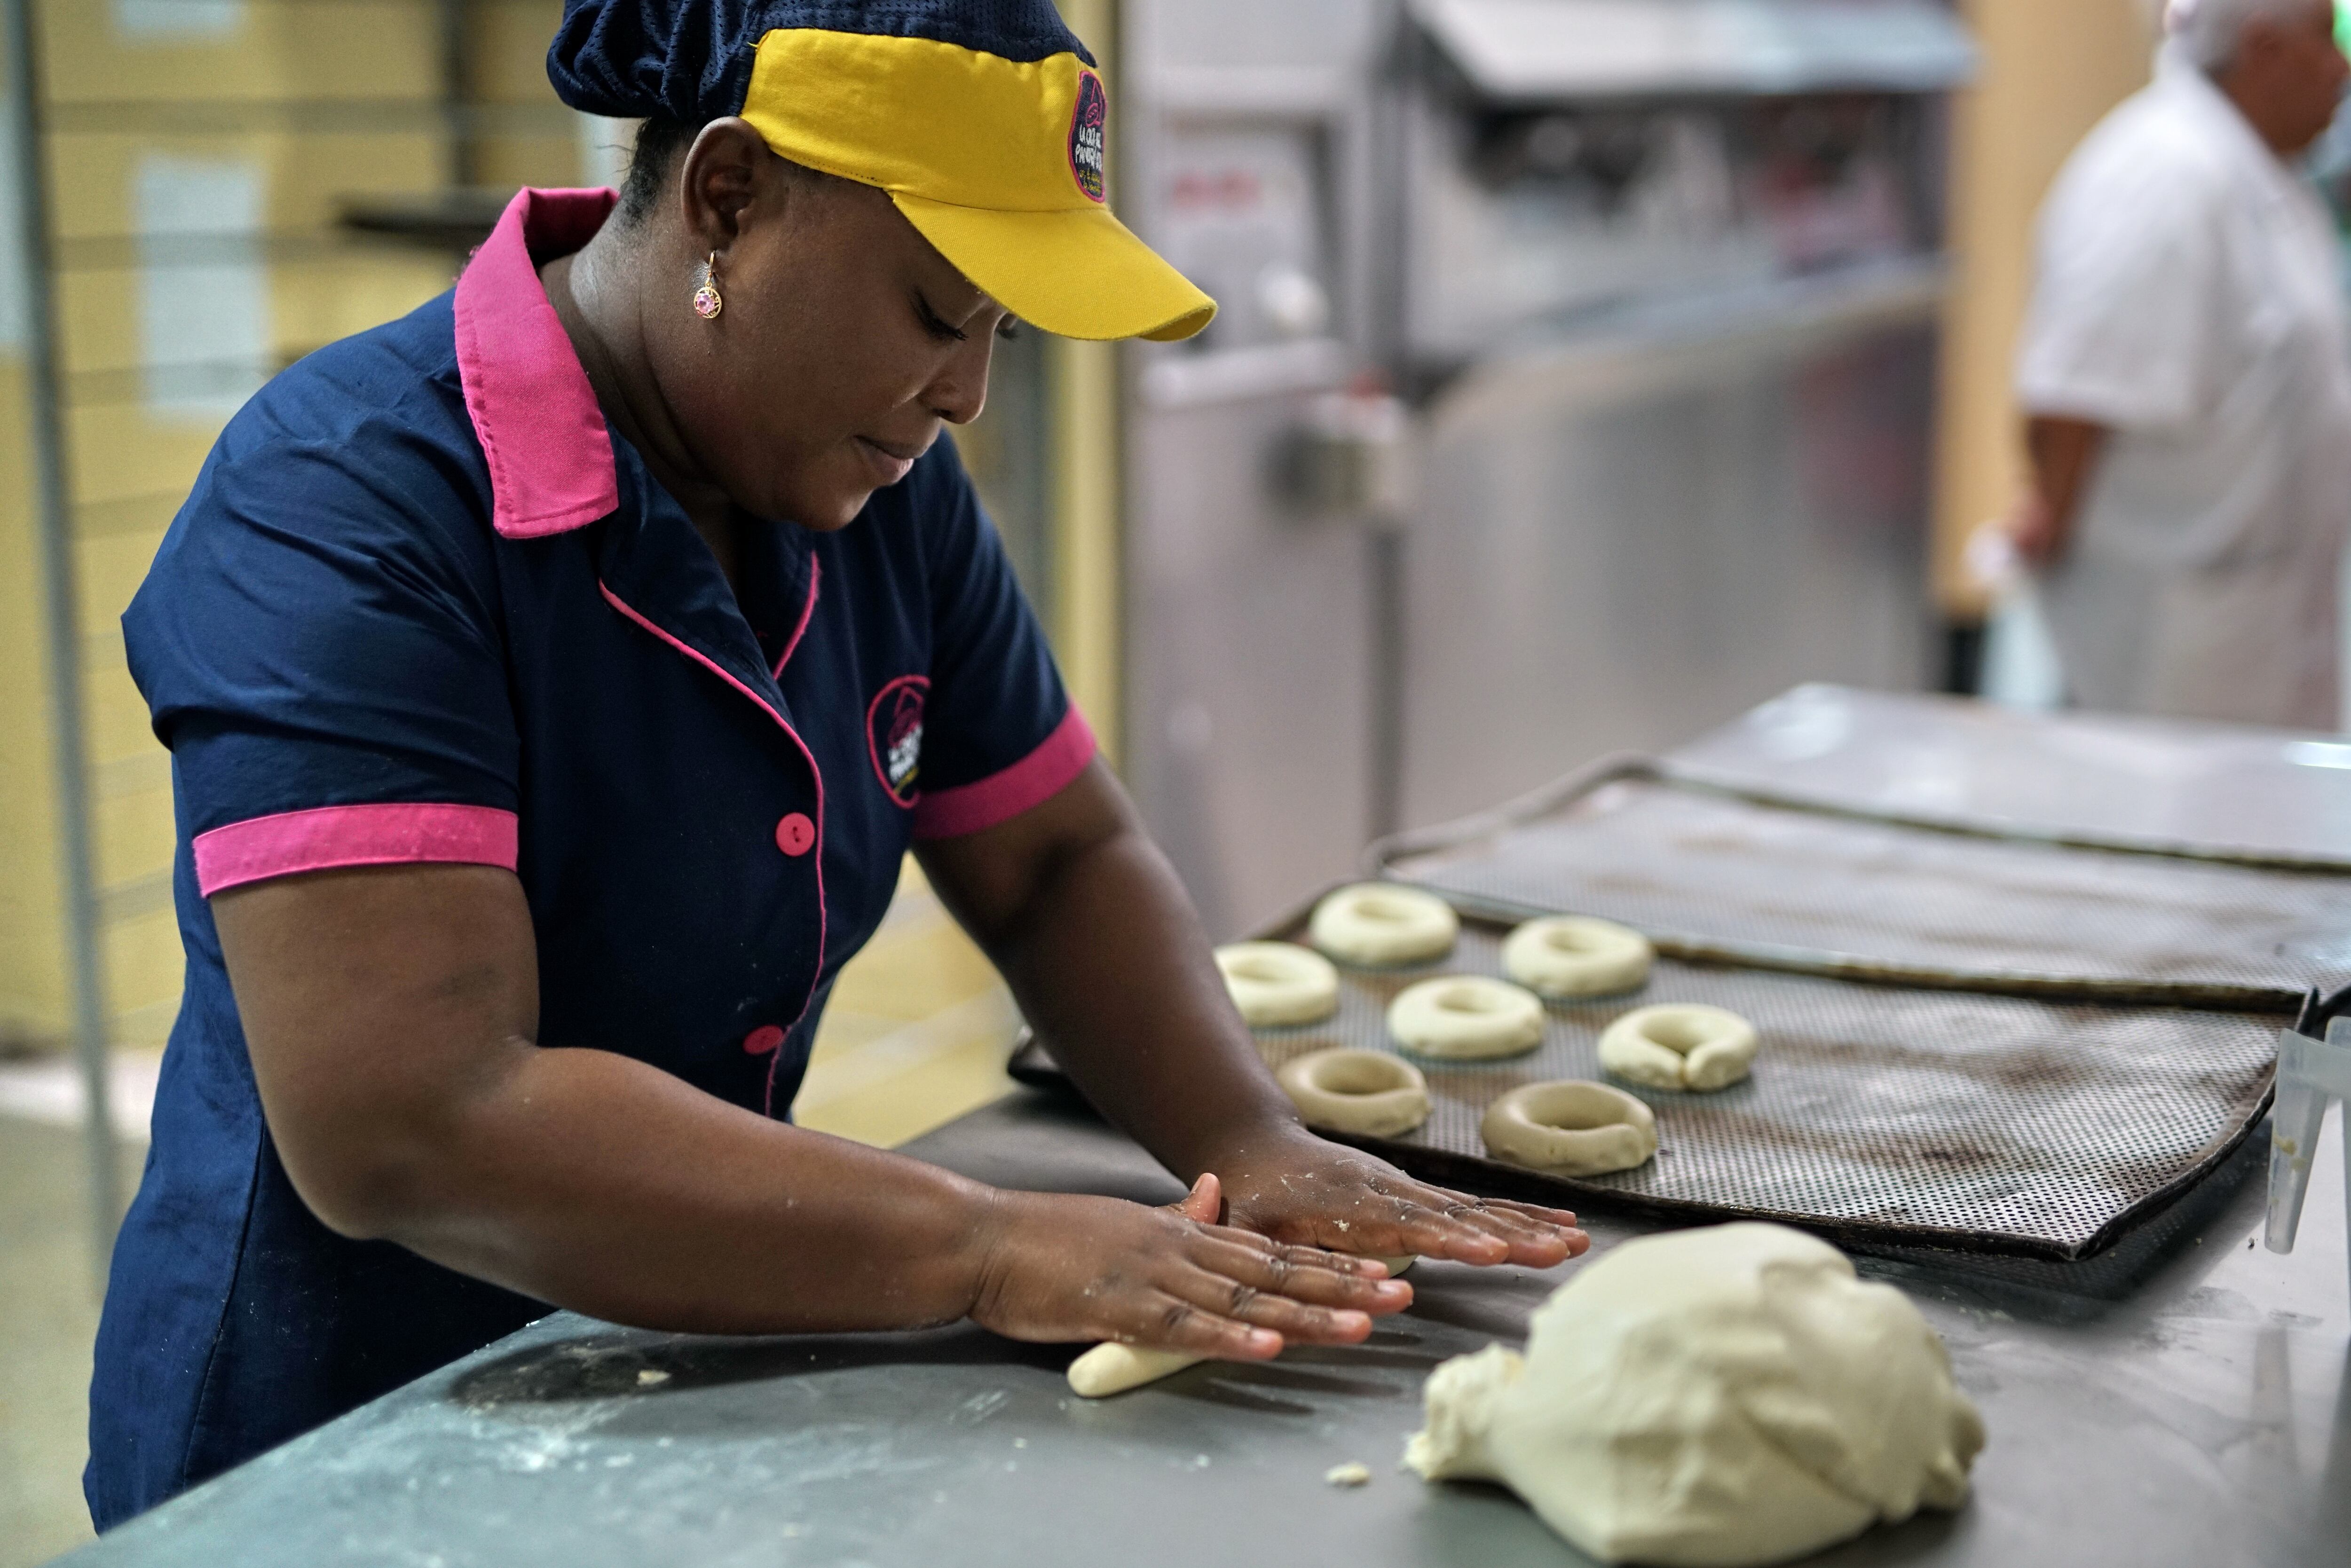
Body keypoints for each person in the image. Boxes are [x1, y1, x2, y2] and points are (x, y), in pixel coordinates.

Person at [84, 0, 1587, 1528]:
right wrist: (987, 1242)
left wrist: (1244, 1134)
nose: (966, 396)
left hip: (696, 1358)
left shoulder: (878, 500)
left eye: (1003, 328)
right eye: (941, 311)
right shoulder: (345, 515)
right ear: (729, 197)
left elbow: (1058, 857)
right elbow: (417, 1115)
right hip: (342, 1447)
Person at [2007, 0, 2351, 729]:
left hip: (2260, 619)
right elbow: (2072, 394)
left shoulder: (2267, 176)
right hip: (2175, 634)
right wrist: (2051, 520)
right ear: (2264, 50)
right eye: (2324, 43)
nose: (2341, 72)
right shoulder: (2160, 176)